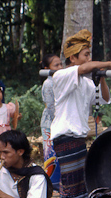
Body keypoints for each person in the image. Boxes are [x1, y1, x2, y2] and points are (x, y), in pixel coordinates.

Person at [51, 29, 111, 198]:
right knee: (71, 185)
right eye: (85, 54)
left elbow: (105, 99)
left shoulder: (87, 82)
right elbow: (83, 69)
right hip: (65, 137)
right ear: (72, 58)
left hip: (79, 137)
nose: (89, 59)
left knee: (81, 183)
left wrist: (102, 77)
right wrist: (110, 63)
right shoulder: (62, 76)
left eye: (89, 54)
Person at [40, 54, 62, 188]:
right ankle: (52, 184)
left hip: (60, 122)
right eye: (56, 65)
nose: (60, 67)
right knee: (51, 154)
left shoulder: (61, 80)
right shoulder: (48, 83)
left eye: (61, 64)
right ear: (47, 68)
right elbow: (50, 107)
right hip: (50, 123)